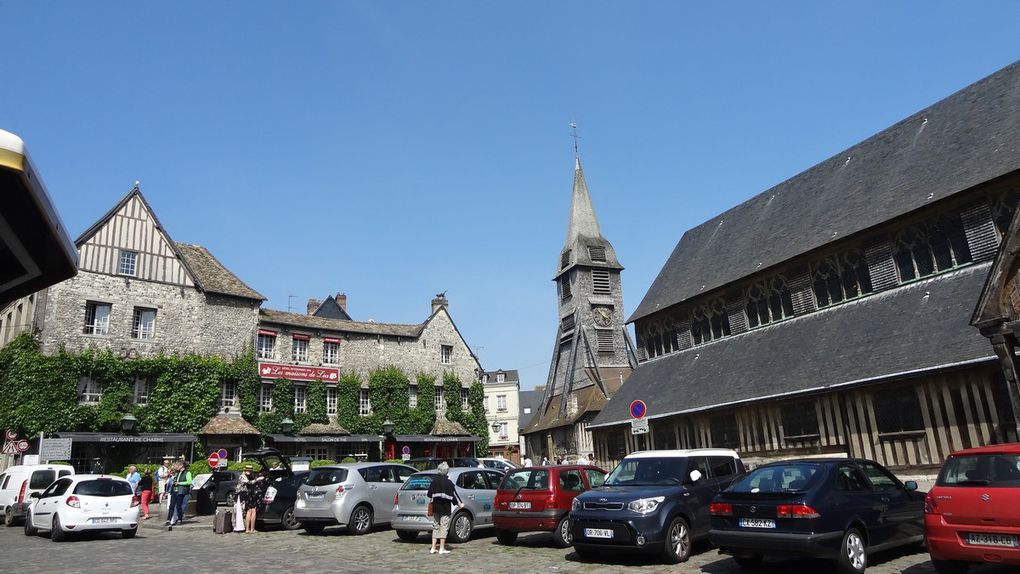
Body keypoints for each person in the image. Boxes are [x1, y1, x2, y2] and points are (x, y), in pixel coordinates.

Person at [426, 462, 463, 555]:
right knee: (444, 527)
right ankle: (441, 548)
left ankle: (433, 547)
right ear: (447, 471)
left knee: (435, 526)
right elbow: (453, 497)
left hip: (435, 507)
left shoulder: (434, 481)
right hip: (445, 508)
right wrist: (460, 505)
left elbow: (429, 494)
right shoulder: (449, 483)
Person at [237, 464, 265, 533]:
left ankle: (250, 529)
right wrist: (258, 479)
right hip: (242, 495)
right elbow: (249, 483)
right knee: (250, 511)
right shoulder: (242, 476)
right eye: (247, 470)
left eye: (250, 470)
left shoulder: (249, 476)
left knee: (251, 511)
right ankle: (248, 529)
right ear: (245, 470)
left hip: (248, 495)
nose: (249, 471)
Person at [167, 461, 193, 527]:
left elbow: (189, 482)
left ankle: (179, 519)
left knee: (179, 506)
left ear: (181, 466)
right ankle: (168, 520)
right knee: (171, 506)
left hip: (181, 491)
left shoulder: (187, 473)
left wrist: (179, 483)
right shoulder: (178, 473)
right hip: (174, 491)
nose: (176, 467)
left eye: (177, 465)